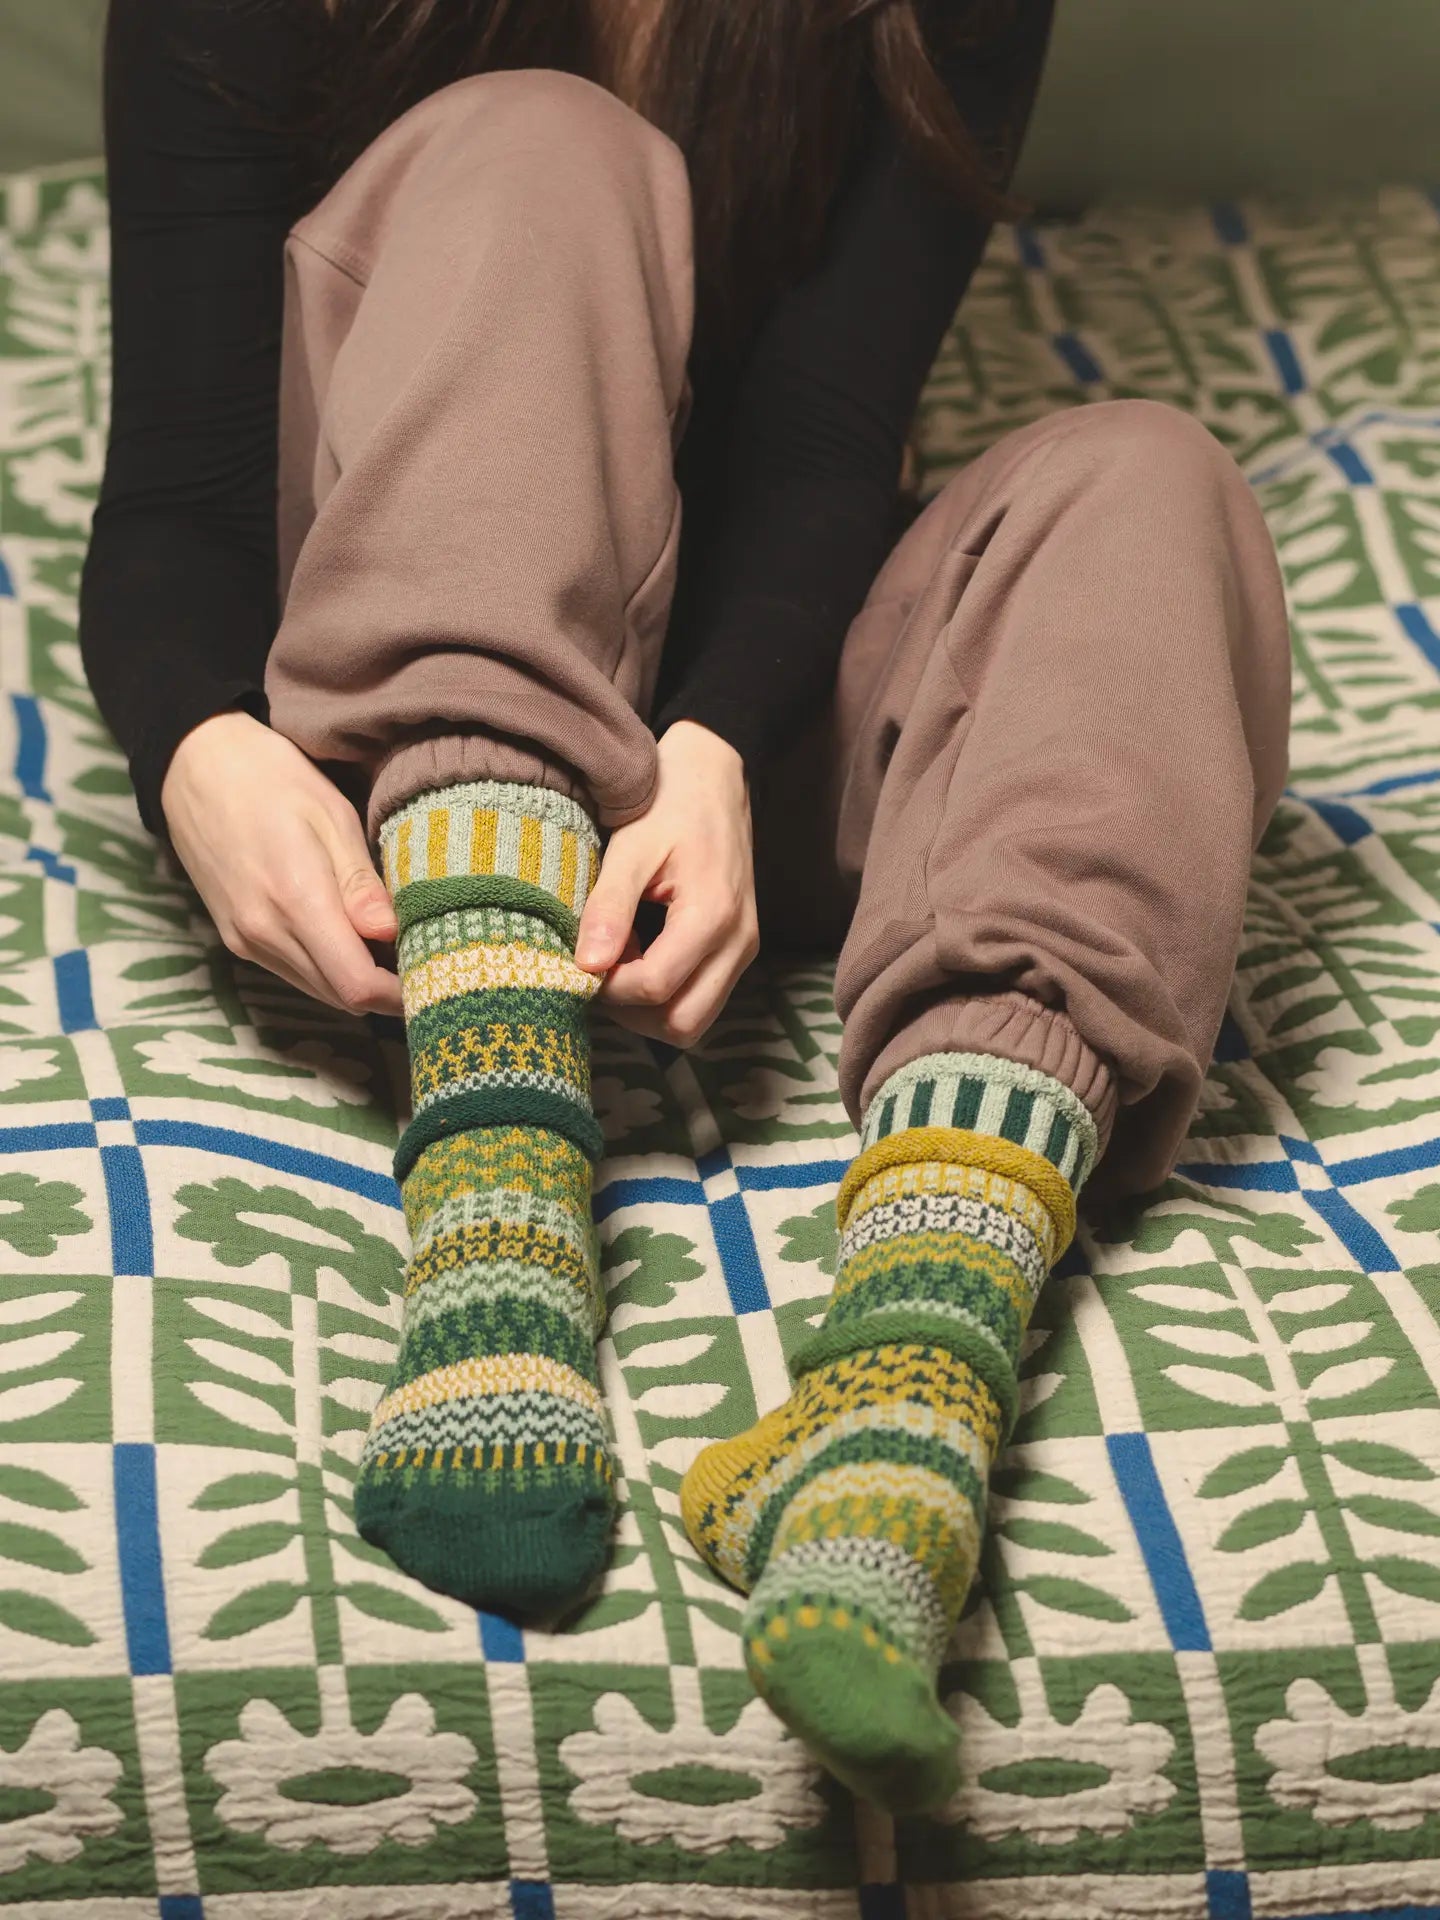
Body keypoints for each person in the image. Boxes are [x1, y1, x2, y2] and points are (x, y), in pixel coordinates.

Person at [80, 0, 1292, 1816]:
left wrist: (717, 747)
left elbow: (821, 434)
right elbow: (173, 496)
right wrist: (199, 751)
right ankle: (499, 1204)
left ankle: (904, 1385)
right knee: (541, 142)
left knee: (1151, 487)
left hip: (724, 751)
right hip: (387, 709)